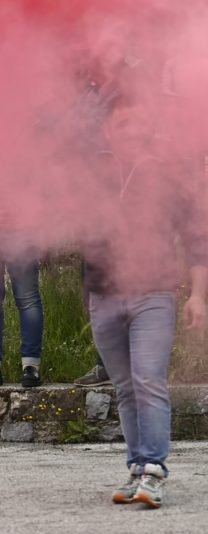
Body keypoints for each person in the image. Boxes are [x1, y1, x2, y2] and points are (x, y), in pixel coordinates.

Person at [82, 103, 208, 508]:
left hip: (153, 293)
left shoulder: (166, 177)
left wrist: (199, 295)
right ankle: (136, 467)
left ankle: (154, 469)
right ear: (110, 133)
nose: (130, 131)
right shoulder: (95, 175)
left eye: (138, 124)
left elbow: (196, 239)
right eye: (121, 124)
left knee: (149, 380)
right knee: (124, 388)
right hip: (103, 295)